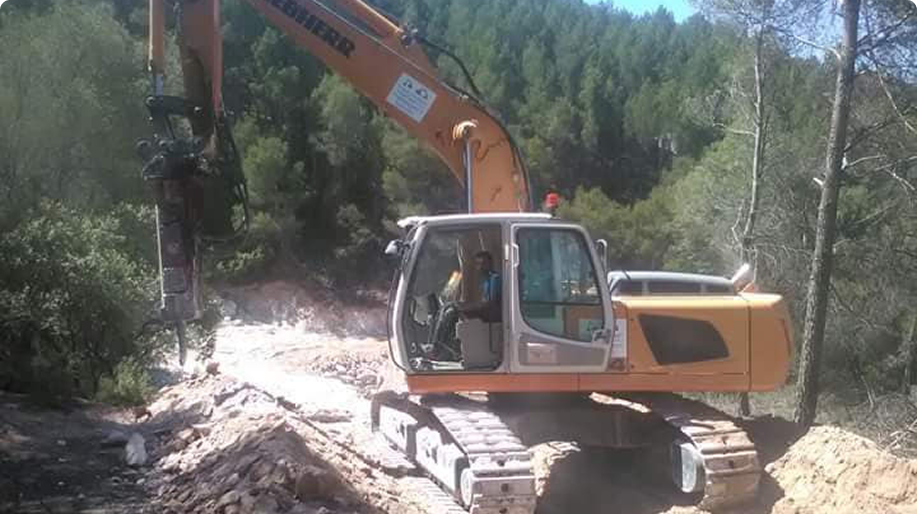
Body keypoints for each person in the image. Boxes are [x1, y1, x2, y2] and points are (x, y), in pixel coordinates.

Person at [427, 250, 502, 359]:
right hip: (487, 310)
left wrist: (466, 307)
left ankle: (436, 348)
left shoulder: (494, 278)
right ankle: (437, 344)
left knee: (451, 313)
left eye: (483, 264)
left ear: (490, 264)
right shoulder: (486, 279)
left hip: (492, 313)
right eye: (478, 264)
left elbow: (490, 303)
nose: (480, 267)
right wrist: (464, 305)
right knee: (447, 308)